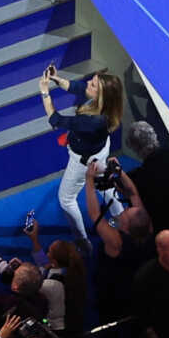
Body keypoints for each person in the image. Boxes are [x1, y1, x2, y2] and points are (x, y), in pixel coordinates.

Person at [39, 66, 126, 239]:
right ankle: (123, 222)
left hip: (83, 161)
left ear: (100, 97)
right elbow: (77, 87)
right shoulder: (107, 106)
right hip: (100, 150)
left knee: (66, 199)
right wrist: (57, 79)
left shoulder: (92, 121)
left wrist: (44, 92)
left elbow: (55, 119)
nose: (88, 83)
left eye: (93, 84)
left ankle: (82, 242)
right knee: (105, 186)